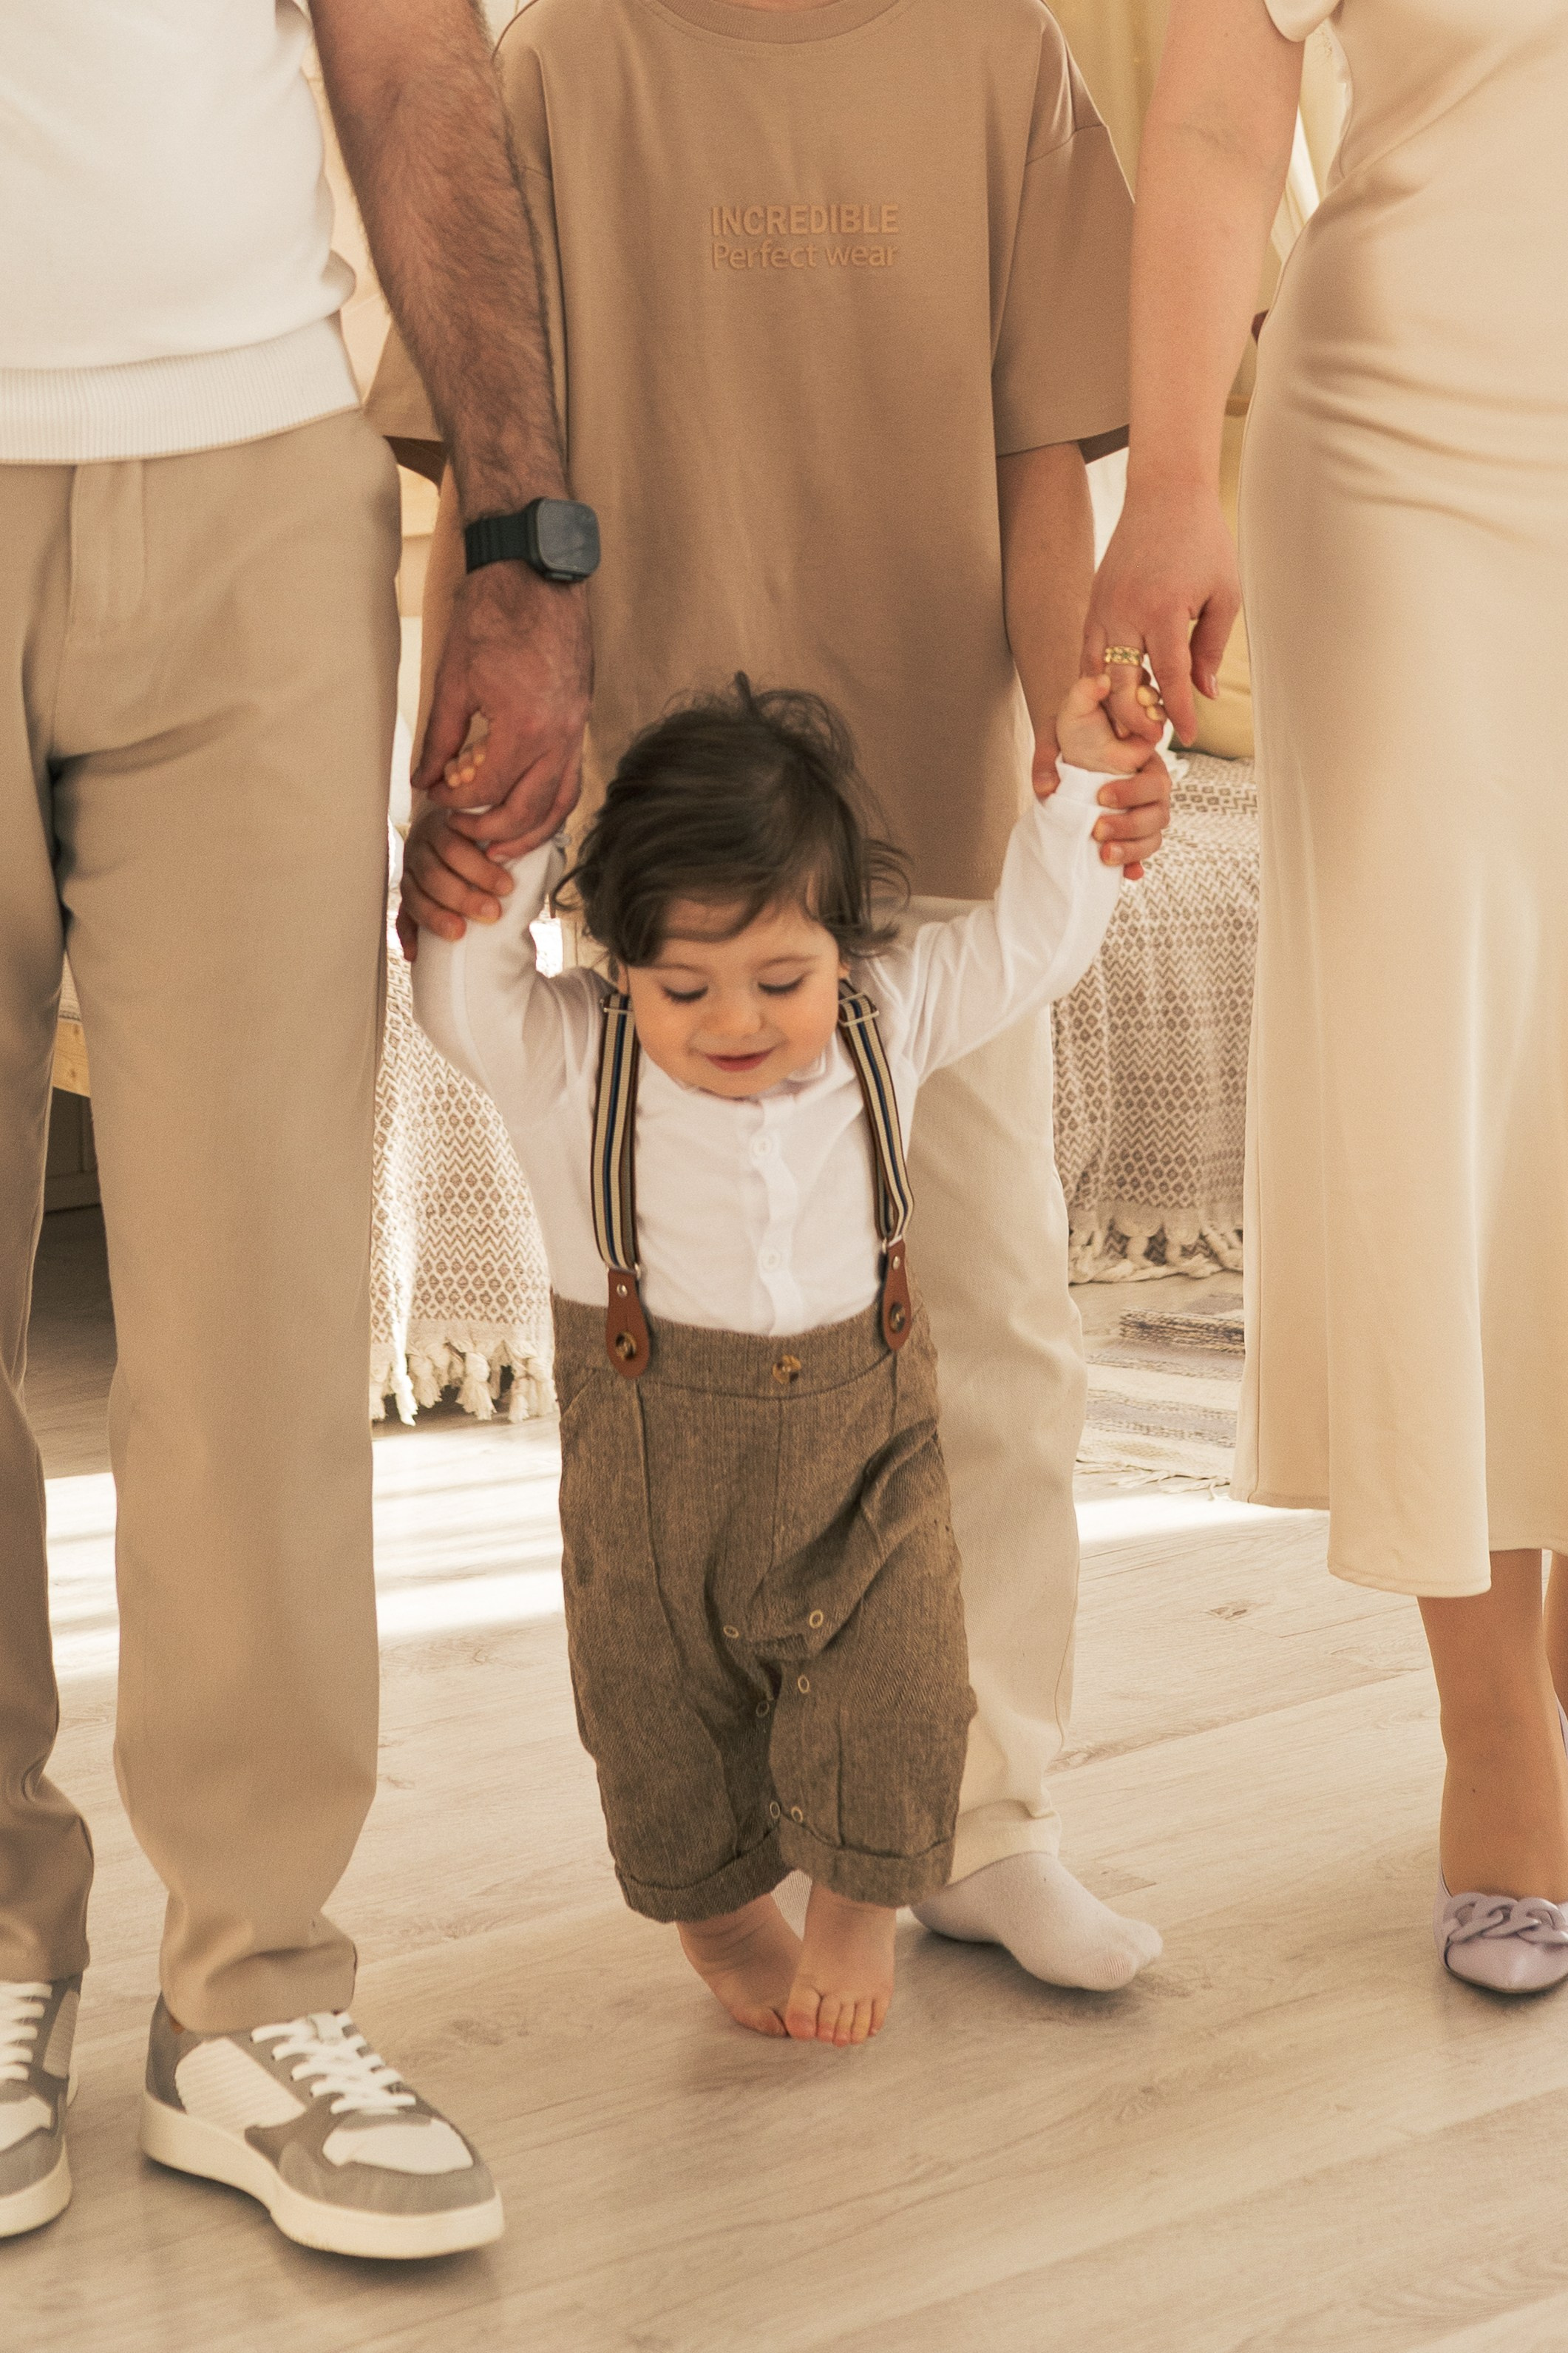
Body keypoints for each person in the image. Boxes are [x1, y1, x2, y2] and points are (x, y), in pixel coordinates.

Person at [376, 0, 1173, 1998]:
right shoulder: (558, 67)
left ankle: (982, 1814)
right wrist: (458, 782)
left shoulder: (1006, 56)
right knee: (684, 1388)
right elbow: (482, 468)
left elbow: (1037, 460)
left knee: (982, 1312)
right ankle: (744, 1831)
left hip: (927, 830)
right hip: (661, 855)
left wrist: (1070, 753)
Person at [1, 0, 591, 2255]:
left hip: (259, 470)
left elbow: (412, 60)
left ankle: (252, 1986)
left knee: (257, 1298)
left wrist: (524, 534)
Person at [413, 668, 1168, 2042]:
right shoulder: (571, 1064)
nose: (736, 1023)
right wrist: (509, 837)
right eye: (680, 986)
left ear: (844, 943)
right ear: (614, 964)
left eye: (780, 978)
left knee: (899, 1676)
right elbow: (465, 992)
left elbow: (1036, 941)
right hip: (655, 1500)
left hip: (861, 1455)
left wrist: (1072, 794)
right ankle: (717, 1915)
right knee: (656, 1723)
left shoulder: (892, 1017)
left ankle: (860, 1905)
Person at [1087, 0, 1568, 1990]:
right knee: (1428, 1074)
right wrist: (1172, 474)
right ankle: (1496, 1727)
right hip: (1414, 467)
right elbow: (1210, 114)